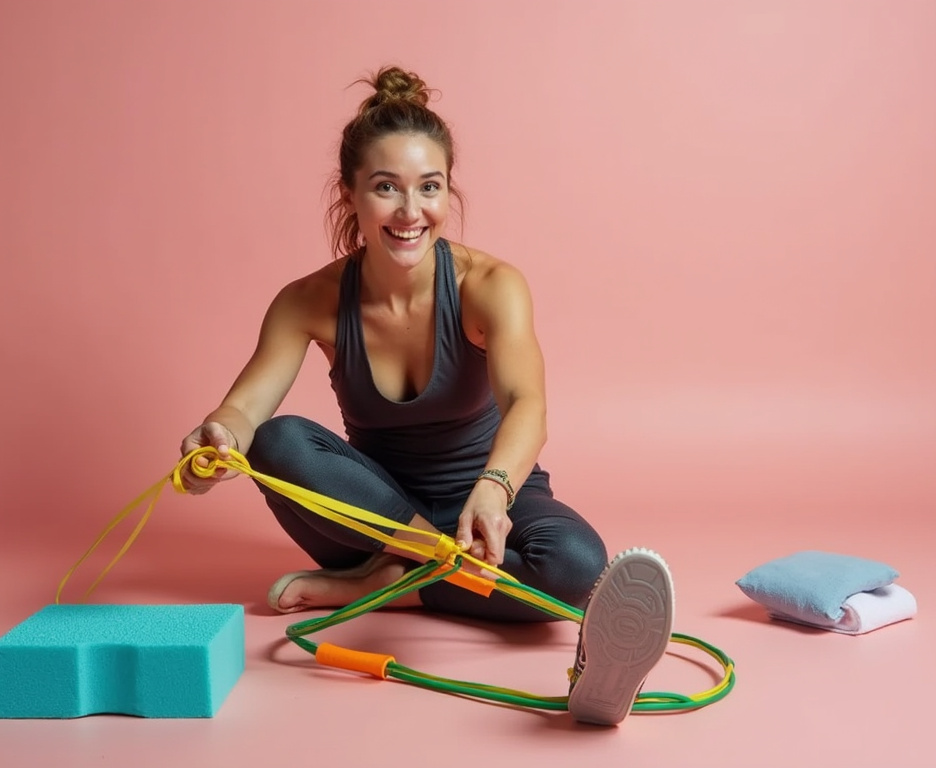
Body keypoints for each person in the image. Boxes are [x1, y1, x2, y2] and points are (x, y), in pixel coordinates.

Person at [179, 66, 673, 726]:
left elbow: (529, 402)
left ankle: (391, 586)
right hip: (370, 515)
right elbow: (245, 412)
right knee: (277, 441)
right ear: (351, 195)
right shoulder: (310, 301)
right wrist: (215, 442)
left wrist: (495, 491)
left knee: (580, 567)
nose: (412, 213)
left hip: (491, 502)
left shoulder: (491, 285)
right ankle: (414, 564)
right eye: (387, 188)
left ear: (446, 192)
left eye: (429, 188)